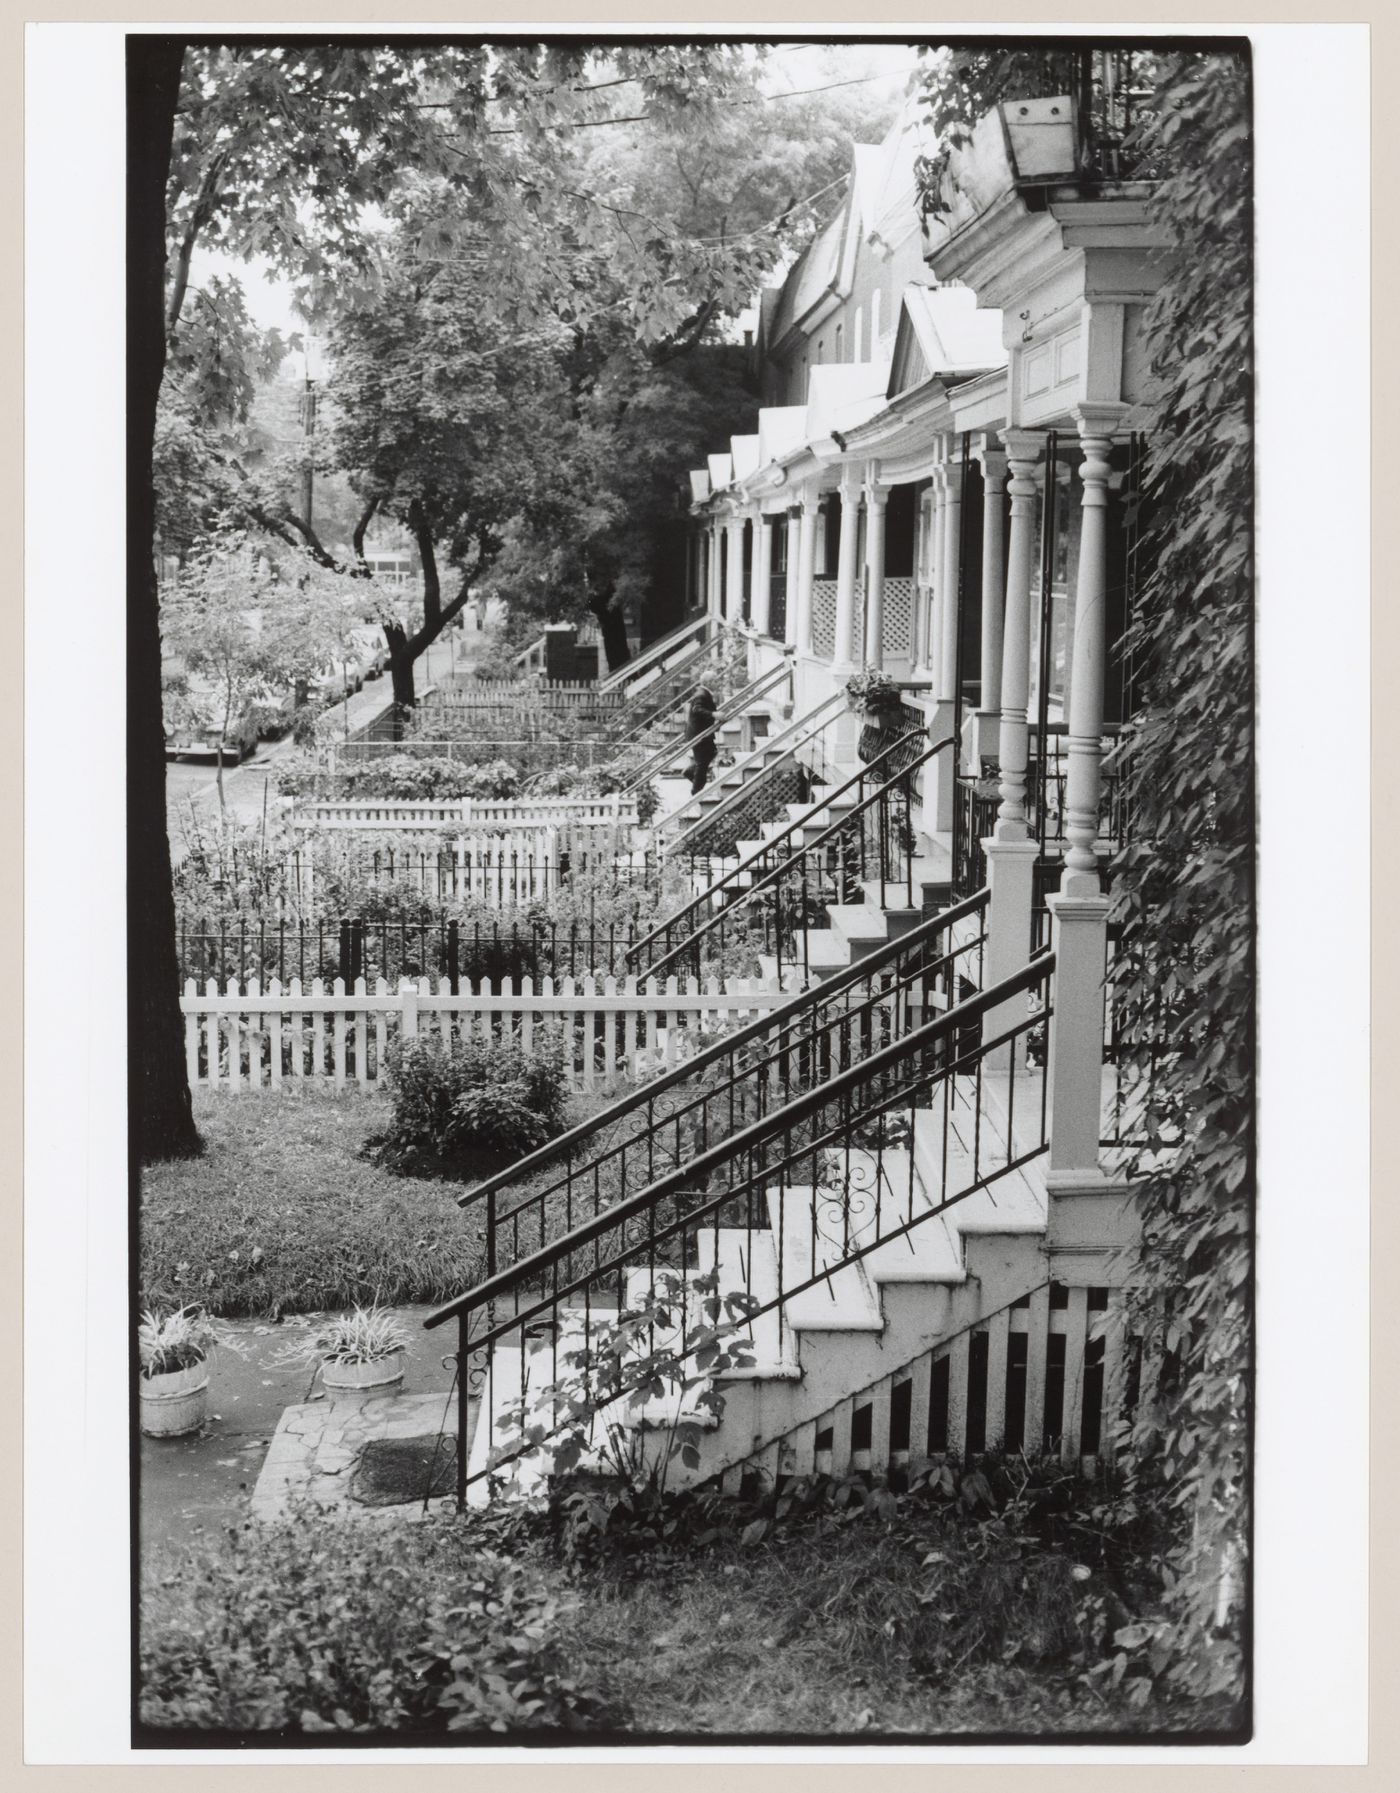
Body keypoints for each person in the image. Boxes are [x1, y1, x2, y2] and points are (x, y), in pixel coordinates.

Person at [684, 686, 719, 795]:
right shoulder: (701, 695)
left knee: (712, 752)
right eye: (714, 680)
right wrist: (713, 714)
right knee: (702, 763)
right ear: (709, 682)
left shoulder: (704, 693)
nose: (717, 682)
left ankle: (690, 771)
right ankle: (696, 791)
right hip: (699, 734)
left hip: (702, 733)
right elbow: (697, 709)